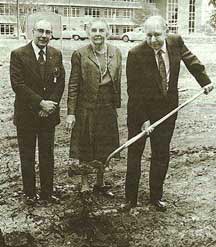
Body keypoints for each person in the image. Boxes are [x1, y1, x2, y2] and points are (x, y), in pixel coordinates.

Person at [125, 15, 213, 211]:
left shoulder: (176, 42)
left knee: (161, 154)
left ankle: (156, 196)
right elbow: (134, 90)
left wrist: (205, 81)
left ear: (166, 31)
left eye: (157, 34)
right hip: (140, 112)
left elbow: (191, 61)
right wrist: (143, 120)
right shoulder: (135, 53)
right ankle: (130, 198)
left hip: (167, 111)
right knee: (135, 154)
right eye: (149, 35)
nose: (153, 40)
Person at [10, 20, 65, 204]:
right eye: (40, 31)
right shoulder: (18, 54)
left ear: (51, 35)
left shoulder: (56, 54)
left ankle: (47, 193)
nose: (44, 35)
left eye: (48, 32)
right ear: (32, 32)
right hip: (27, 114)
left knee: (47, 156)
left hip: (48, 116)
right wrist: (40, 103)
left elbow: (60, 83)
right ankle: (30, 194)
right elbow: (18, 85)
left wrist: (50, 105)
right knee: (27, 155)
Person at [66, 19, 122, 195]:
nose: (97, 33)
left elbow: (118, 79)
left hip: (107, 105)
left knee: (104, 144)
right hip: (87, 105)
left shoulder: (116, 52)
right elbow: (74, 84)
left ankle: (100, 182)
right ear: (88, 33)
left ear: (108, 32)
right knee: (86, 143)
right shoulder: (80, 54)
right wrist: (71, 113)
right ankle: (84, 182)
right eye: (94, 30)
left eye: (101, 30)